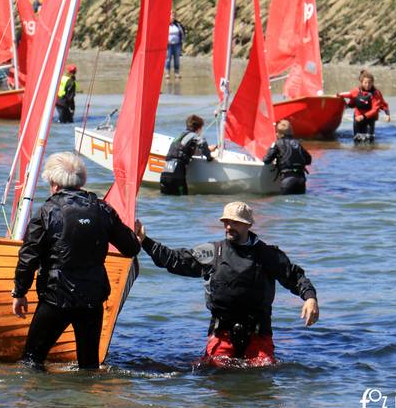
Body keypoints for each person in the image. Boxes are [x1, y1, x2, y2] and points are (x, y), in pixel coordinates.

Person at [134, 201, 319, 367]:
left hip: (258, 332)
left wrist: (310, 297)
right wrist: (145, 241)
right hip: (222, 331)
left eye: (235, 223)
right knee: (216, 369)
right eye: (226, 222)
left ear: (248, 225)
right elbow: (176, 260)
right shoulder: (213, 251)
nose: (229, 226)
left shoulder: (268, 254)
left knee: (264, 368)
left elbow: (294, 276)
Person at [12, 152, 140, 370]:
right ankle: (86, 402)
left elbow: (28, 257)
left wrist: (19, 292)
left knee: (31, 361)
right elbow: (130, 248)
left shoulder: (46, 212)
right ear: (82, 181)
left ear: (53, 183)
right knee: (89, 366)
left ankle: (36, 401)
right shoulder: (103, 209)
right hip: (91, 299)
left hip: (55, 298)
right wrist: (137, 235)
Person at [160, 114, 214, 195]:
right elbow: (202, 143)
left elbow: (183, 150)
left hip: (164, 175)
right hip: (177, 176)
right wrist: (209, 157)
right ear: (199, 129)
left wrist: (207, 150)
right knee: (182, 199)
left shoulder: (180, 136)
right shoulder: (194, 135)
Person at [337, 70, 390, 143]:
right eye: (365, 82)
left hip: (370, 118)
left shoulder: (376, 94)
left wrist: (387, 114)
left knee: (370, 140)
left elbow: (376, 109)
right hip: (357, 117)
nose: (368, 85)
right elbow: (341, 94)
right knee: (357, 139)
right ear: (361, 82)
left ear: (372, 83)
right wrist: (338, 97)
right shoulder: (355, 91)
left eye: (370, 83)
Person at [263, 119, 312, 195]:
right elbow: (309, 160)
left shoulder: (277, 143)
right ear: (291, 131)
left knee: (284, 205)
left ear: (278, 133)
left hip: (287, 180)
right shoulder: (297, 143)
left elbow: (267, 160)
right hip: (301, 181)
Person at [165, 10, 185, 80]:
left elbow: (182, 31)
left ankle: (177, 73)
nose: (173, 18)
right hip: (168, 45)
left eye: (174, 16)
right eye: (171, 16)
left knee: (177, 59)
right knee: (168, 59)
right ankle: (167, 73)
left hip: (177, 44)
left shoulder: (178, 24)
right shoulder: (165, 25)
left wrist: (182, 39)